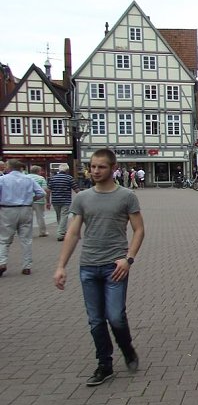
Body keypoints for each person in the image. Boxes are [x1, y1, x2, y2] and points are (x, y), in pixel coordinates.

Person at [54, 148, 145, 387]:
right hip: (88, 266)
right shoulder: (82, 198)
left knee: (115, 316)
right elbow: (73, 233)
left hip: (115, 265)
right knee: (95, 320)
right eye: (92, 166)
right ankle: (104, 364)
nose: (95, 171)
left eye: (101, 166)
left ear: (113, 168)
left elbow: (139, 230)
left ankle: (127, 350)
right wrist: (61, 265)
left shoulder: (126, 196)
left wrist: (129, 258)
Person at [0, 159, 46, 277]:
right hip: (25, 208)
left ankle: (2, 262)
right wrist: (31, 200)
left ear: (9, 167)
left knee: (4, 239)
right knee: (26, 239)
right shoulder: (28, 179)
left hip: (7, 209)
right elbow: (41, 193)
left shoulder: (3, 179)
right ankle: (27, 266)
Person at [47, 163, 79, 241]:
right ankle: (61, 233)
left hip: (55, 200)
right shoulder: (69, 178)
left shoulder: (53, 178)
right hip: (66, 200)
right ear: (67, 170)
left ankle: (62, 231)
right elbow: (76, 189)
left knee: (59, 216)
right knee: (64, 216)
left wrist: (48, 201)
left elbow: (48, 190)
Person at [26, 165, 50, 237]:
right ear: (38, 171)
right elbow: (44, 190)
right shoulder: (41, 178)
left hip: (28, 200)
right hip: (39, 200)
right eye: (40, 171)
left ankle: (28, 233)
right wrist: (48, 201)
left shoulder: (26, 177)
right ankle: (42, 232)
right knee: (40, 217)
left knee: (28, 218)